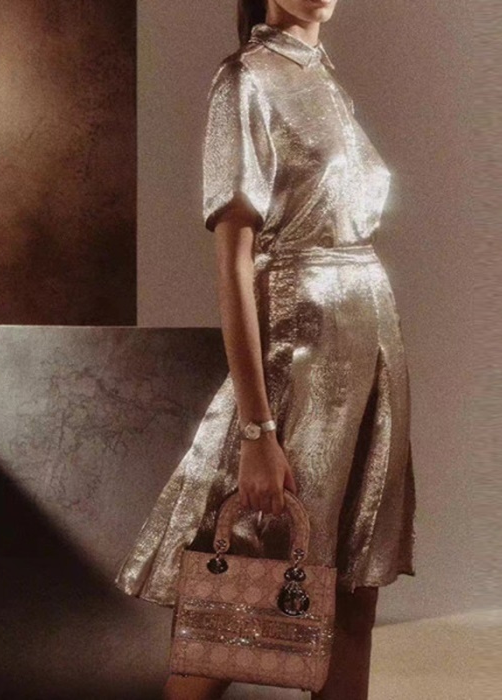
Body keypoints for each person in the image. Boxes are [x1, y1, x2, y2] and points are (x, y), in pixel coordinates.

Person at [114, 1, 416, 698]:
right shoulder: (245, 78)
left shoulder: (323, 78)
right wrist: (256, 431)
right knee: (239, 596)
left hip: (370, 349)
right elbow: (234, 262)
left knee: (352, 593)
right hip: (299, 356)